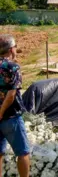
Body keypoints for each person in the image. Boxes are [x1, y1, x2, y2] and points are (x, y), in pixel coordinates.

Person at [0, 35, 30, 177]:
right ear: (11, 49)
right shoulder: (12, 67)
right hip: (11, 116)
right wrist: (1, 112)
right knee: (23, 152)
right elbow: (11, 94)